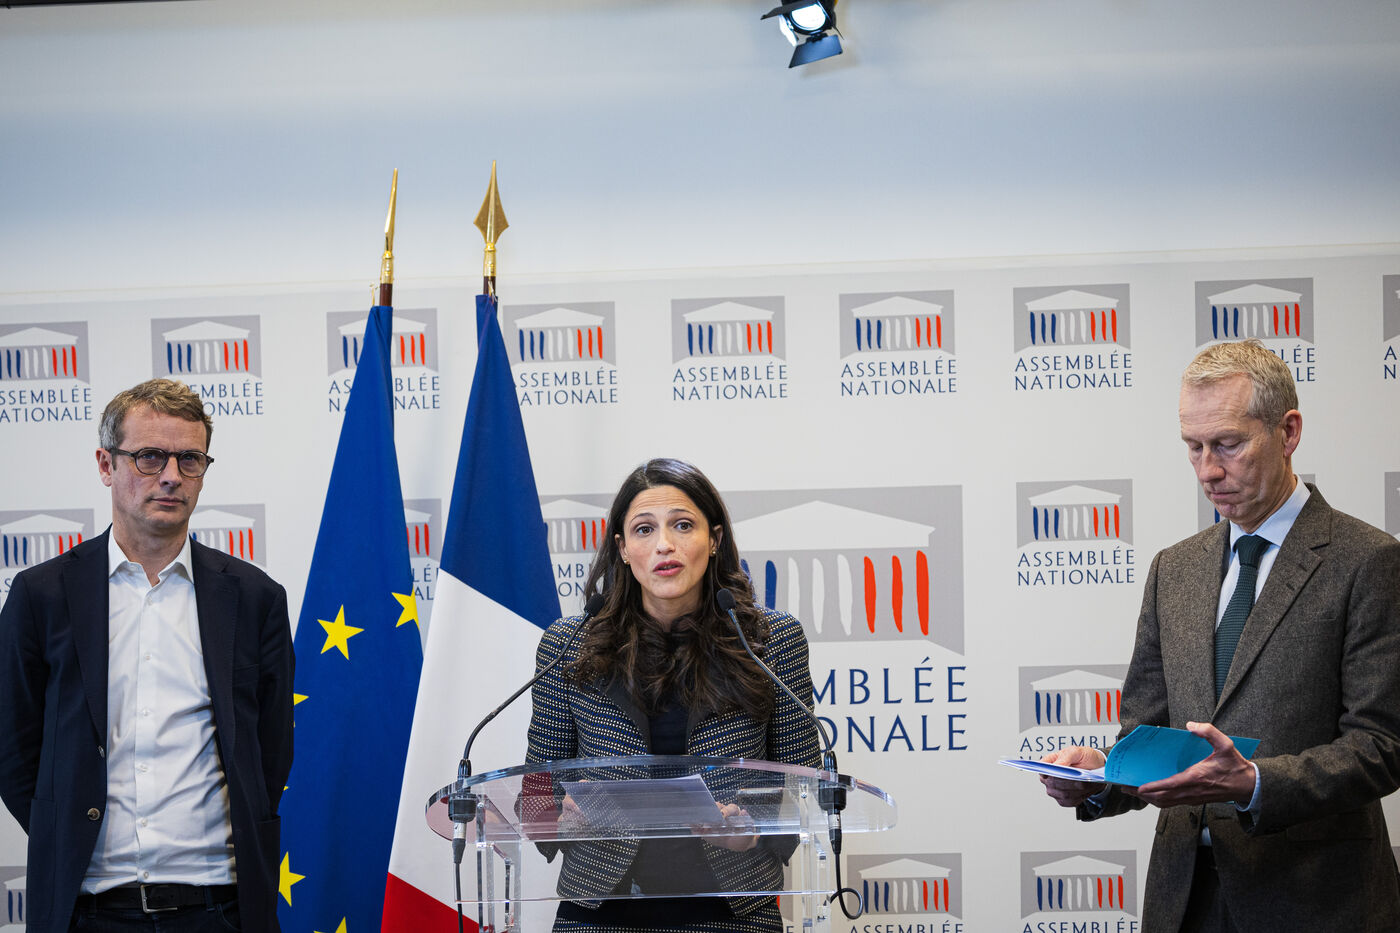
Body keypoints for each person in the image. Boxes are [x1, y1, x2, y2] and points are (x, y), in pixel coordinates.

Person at [1038, 340, 1400, 932]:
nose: (1208, 470)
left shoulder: (1369, 561)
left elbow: (1383, 745)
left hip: (1314, 902)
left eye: (1228, 444)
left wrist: (1254, 783)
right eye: (1194, 446)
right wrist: (1099, 774)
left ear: (1288, 432)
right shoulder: (1173, 569)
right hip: (1184, 900)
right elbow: (1146, 733)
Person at [0, 379, 295, 933]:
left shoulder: (255, 598)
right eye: (149, 457)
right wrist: (65, 831)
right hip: (85, 912)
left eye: (190, 459)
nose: (171, 476)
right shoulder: (42, 595)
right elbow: (14, 751)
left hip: (221, 912)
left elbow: (270, 752)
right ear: (106, 465)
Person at [525, 458, 822, 933]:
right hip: (599, 912)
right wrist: (562, 822)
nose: (664, 544)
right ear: (623, 549)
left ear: (714, 539)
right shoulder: (569, 643)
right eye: (644, 529)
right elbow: (536, 792)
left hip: (733, 910)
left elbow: (804, 784)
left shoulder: (771, 640)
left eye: (683, 525)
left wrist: (752, 832)